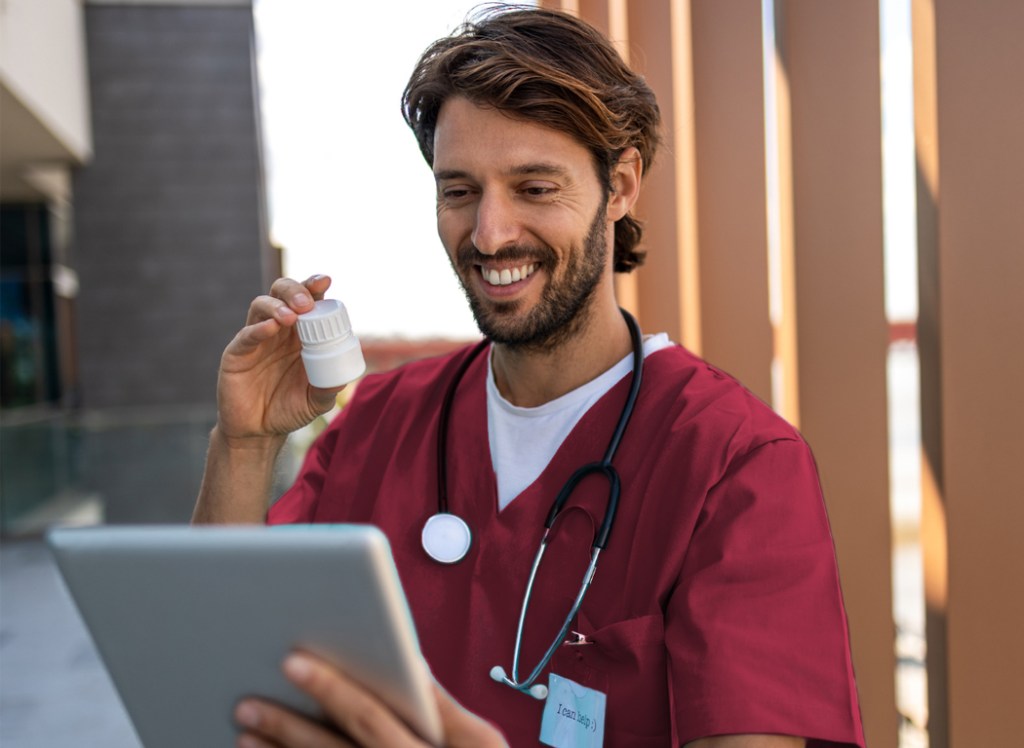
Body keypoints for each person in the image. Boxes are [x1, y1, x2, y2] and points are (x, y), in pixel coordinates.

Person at [194, 6, 865, 747]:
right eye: (459, 191)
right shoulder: (382, 418)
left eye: (535, 188)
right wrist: (246, 440)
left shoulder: (736, 464)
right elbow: (221, 673)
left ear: (621, 186)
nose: (489, 233)